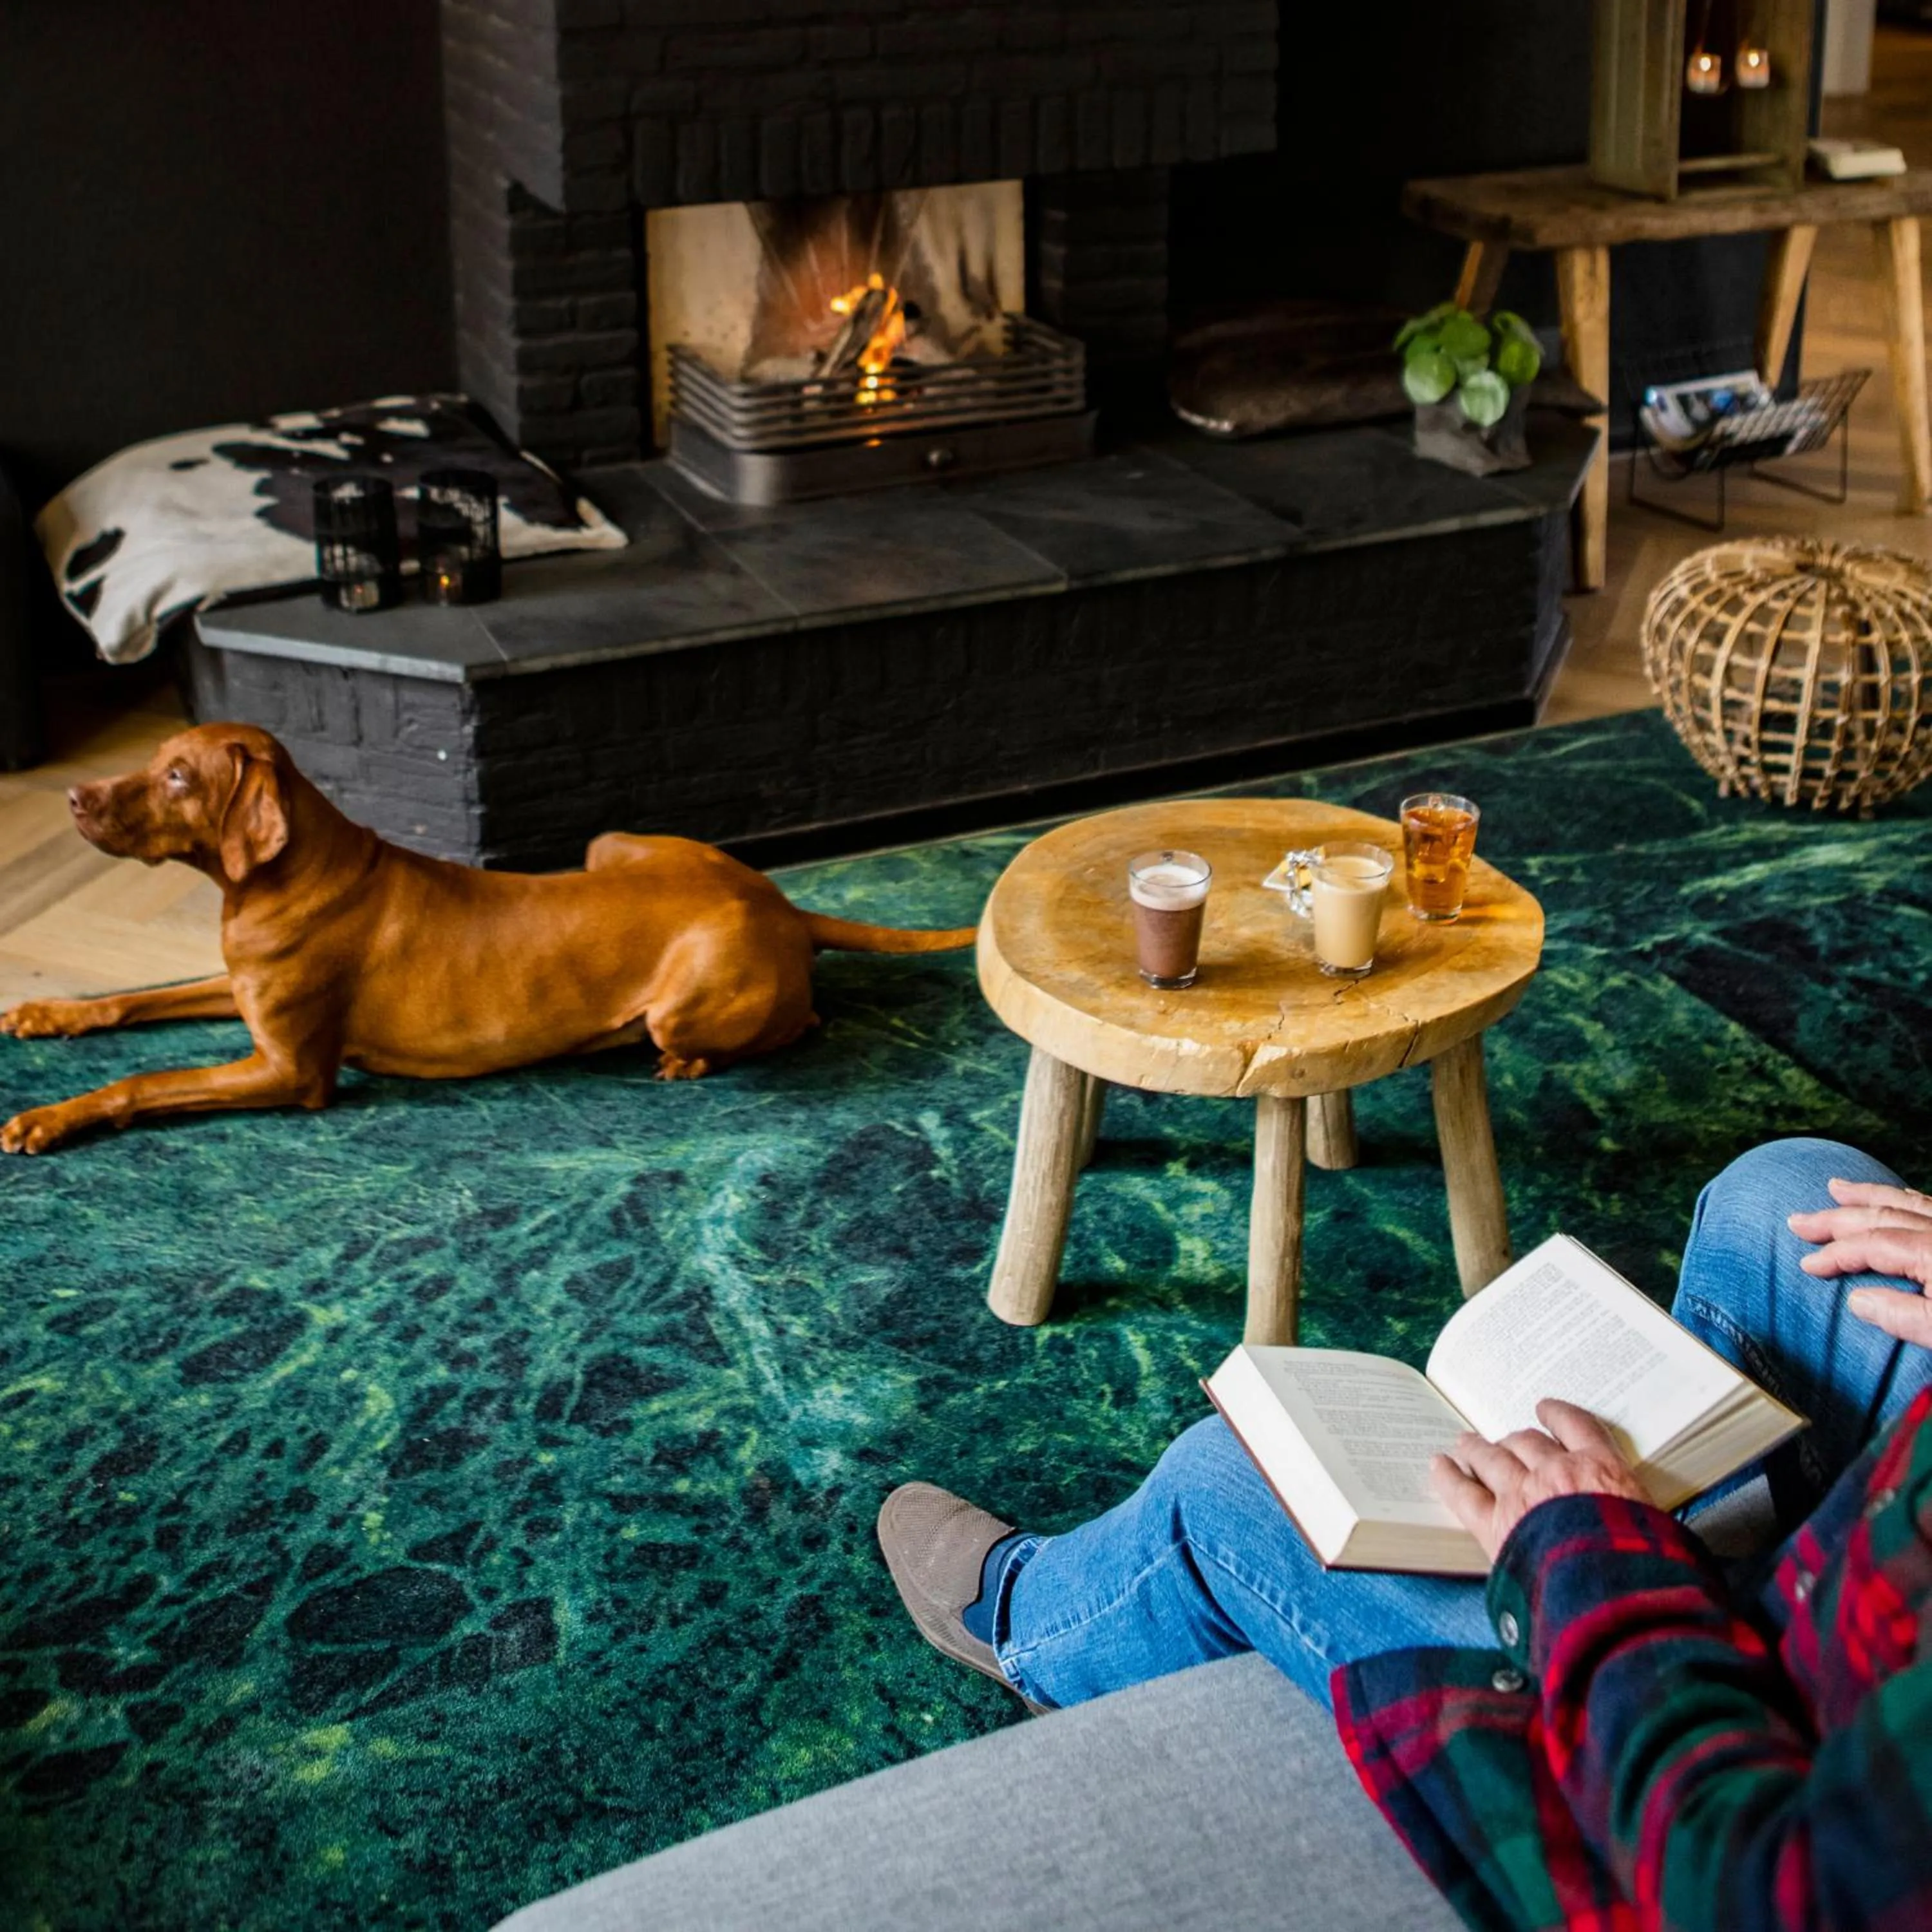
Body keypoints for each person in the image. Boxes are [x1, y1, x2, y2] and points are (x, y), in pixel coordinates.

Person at [878, 1139, 1932, 1931]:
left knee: (1238, 1478)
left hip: (1703, 1798)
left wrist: (1595, 1550)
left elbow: (1747, 1888)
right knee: (1787, 1196)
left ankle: (1032, 1625)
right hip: (1871, 1594)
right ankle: (1721, 1505)